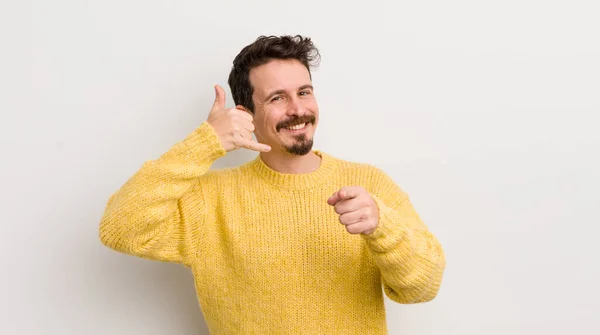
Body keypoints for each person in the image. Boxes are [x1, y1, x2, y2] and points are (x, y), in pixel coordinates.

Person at [99, 35, 446, 334]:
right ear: (245, 113)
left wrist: (382, 226)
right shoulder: (212, 199)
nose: (298, 110)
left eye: (304, 92)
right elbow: (120, 227)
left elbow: (423, 287)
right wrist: (205, 143)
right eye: (277, 98)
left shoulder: (369, 185)